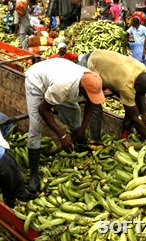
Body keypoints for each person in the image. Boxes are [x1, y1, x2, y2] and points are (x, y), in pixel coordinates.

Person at [25, 58, 105, 193]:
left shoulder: (91, 78)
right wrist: (61, 135)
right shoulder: (63, 87)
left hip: (57, 76)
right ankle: (33, 173)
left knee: (75, 113)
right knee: (35, 128)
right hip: (36, 83)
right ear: (81, 89)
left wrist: (83, 127)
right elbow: (43, 109)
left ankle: (79, 148)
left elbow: (92, 102)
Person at [79, 49, 146, 141]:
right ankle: (95, 140)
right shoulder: (125, 86)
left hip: (102, 59)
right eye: (140, 90)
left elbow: (140, 95)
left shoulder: (143, 69)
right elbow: (134, 118)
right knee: (95, 107)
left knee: (139, 100)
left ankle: (125, 130)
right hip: (90, 64)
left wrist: (143, 115)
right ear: (137, 83)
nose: (141, 93)